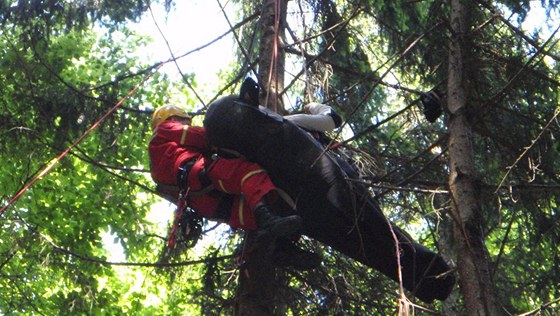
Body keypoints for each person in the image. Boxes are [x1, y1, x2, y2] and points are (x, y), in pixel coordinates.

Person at [148, 105, 302, 240]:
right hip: (199, 173)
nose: (188, 124)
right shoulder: (165, 128)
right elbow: (200, 137)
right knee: (248, 173)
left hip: (202, 203)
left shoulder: (155, 164)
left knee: (246, 212)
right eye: (186, 121)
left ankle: (279, 244)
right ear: (174, 118)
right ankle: (271, 225)